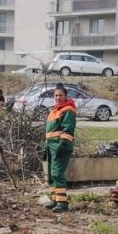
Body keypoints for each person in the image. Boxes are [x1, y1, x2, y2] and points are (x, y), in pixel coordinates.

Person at [45, 83, 76, 213]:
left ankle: (62, 203)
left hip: (60, 145)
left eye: (60, 95)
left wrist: (62, 145)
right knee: (51, 175)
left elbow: (68, 130)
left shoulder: (68, 110)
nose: (58, 97)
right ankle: (55, 200)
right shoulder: (55, 110)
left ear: (65, 96)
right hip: (50, 146)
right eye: (56, 95)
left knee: (57, 173)